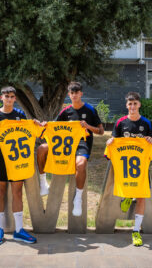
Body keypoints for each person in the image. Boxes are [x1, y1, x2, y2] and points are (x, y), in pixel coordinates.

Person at [37, 81, 104, 216]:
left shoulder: (90, 109)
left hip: (82, 144)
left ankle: (78, 197)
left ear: (81, 94)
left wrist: (88, 127)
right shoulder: (65, 111)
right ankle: (43, 183)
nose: (74, 95)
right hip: (64, 144)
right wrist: (45, 125)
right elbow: (54, 127)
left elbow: (101, 131)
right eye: (72, 93)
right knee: (41, 149)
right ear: (69, 95)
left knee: (81, 164)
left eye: (77, 93)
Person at [0, 86, 39, 245]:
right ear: (1, 97)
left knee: (17, 192)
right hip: (0, 158)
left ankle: (19, 230)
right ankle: (0, 229)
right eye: (6, 96)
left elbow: (31, 128)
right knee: (0, 192)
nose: (9, 99)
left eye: (12, 97)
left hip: (17, 161)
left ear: (15, 99)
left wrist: (35, 123)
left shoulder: (20, 114)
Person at [106, 91, 152, 247]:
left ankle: (136, 231)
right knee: (130, 188)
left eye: (135, 103)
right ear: (126, 105)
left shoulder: (147, 123)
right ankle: (128, 196)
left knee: (141, 196)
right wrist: (110, 141)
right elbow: (114, 140)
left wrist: (151, 142)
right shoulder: (120, 123)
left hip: (141, 166)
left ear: (139, 104)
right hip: (124, 166)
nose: (133, 106)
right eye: (130, 104)